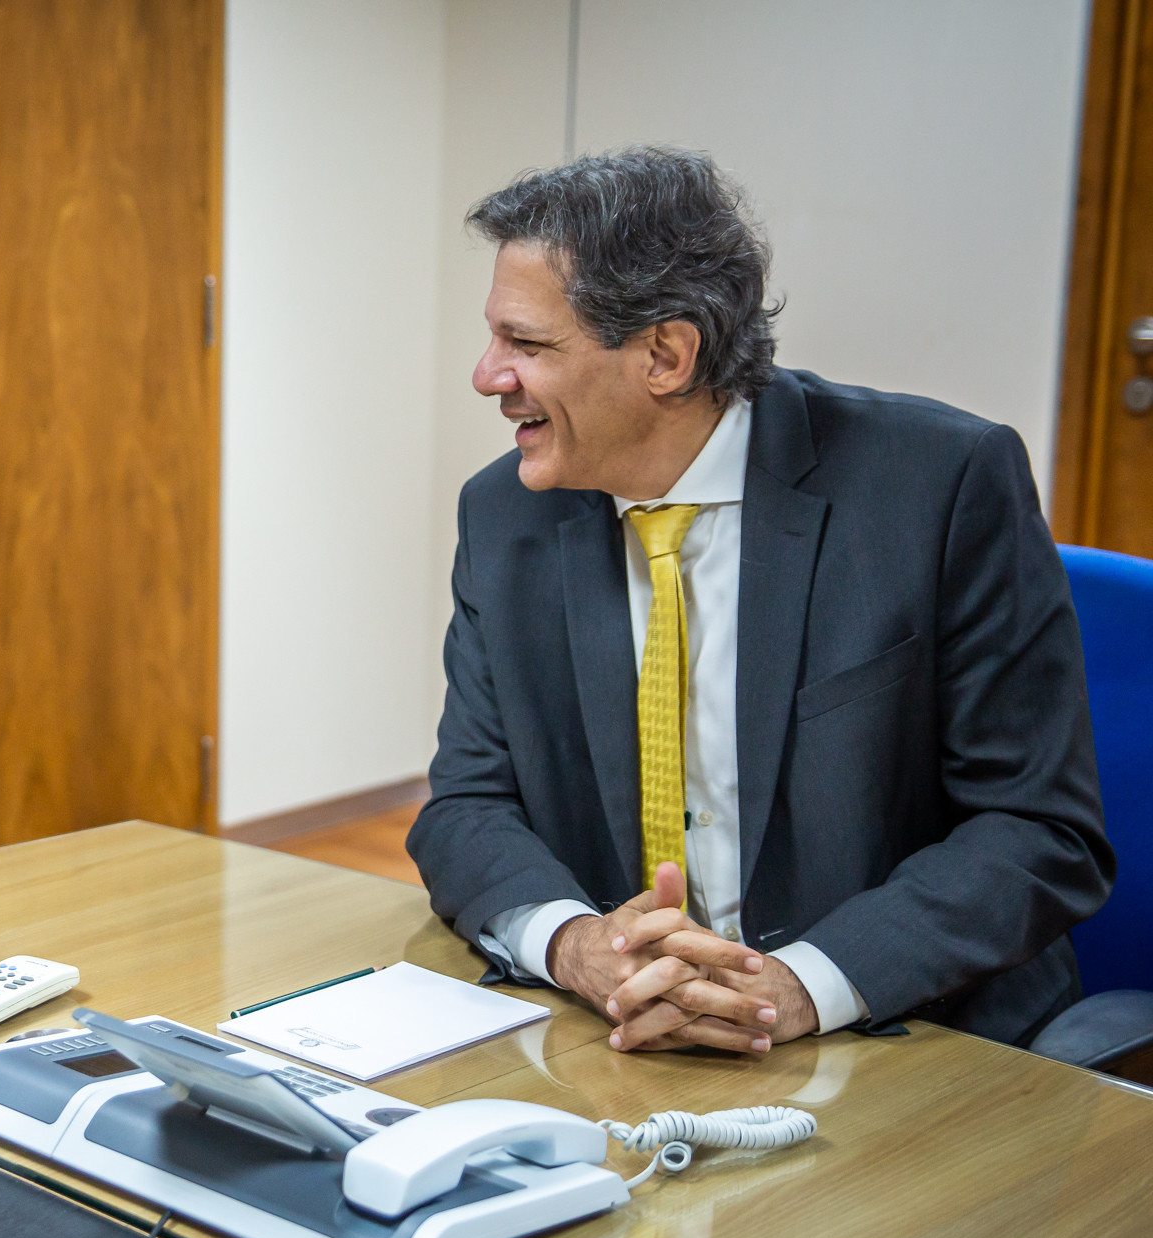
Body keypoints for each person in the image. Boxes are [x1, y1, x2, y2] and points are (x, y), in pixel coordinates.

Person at [408, 148, 1112, 1055]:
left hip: (909, 1035)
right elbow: (466, 803)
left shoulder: (937, 486)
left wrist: (799, 984)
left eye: (528, 344)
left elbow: (1038, 828)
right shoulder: (505, 516)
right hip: (634, 1045)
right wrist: (580, 945)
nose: (486, 375)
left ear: (666, 354)